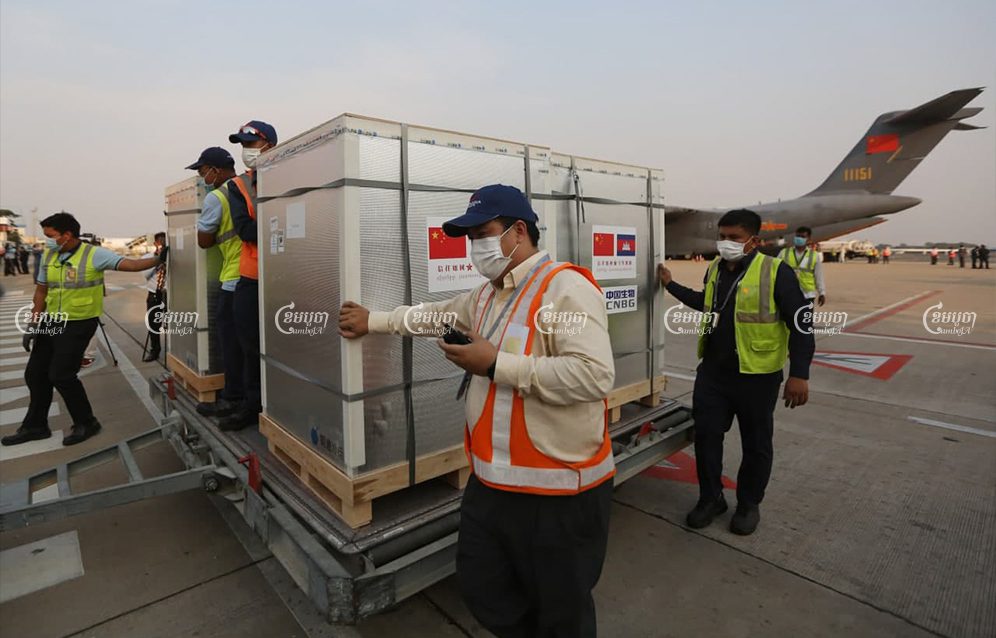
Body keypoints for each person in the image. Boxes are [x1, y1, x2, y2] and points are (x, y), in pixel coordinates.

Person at [340, 185, 616, 637]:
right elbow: (436, 315)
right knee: (485, 589)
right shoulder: (487, 296)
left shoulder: (564, 288)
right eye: (468, 237)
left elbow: (592, 375)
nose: (474, 247)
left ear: (518, 231)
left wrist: (495, 364)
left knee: (562, 613)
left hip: (560, 495)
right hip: (493, 486)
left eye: (482, 233)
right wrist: (374, 321)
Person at [658, 209, 815, 536]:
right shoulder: (715, 267)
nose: (726, 243)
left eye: (734, 238)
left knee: (756, 445)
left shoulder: (777, 272)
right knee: (706, 438)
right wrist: (671, 286)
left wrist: (800, 373)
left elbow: (802, 325)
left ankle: (748, 504)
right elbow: (707, 303)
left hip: (757, 377)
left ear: (754, 241)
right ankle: (710, 498)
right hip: (714, 374)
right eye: (722, 237)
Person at [2, 212, 167, 447]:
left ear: (67, 235)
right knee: (35, 374)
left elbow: (130, 264)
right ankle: (35, 426)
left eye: (51, 236)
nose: (47, 240)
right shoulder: (50, 255)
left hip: (79, 322)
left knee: (61, 374)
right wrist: (33, 324)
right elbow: (41, 291)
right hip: (52, 321)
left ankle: (87, 422)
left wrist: (158, 259)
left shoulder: (94, 254)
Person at [222, 121, 277, 430]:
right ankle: (251, 405)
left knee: (291, 341)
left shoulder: (296, 174)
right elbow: (245, 229)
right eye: (242, 145)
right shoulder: (239, 185)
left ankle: (281, 405)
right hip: (252, 275)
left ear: (269, 145)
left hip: (289, 277)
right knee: (249, 344)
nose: (246, 152)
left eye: (251, 145)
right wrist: (282, 225)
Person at [186, 147, 244, 418]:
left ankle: (232, 398)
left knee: (229, 343)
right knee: (249, 344)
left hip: (232, 276)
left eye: (202, 172)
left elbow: (203, 240)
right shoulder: (248, 186)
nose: (202, 178)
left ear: (215, 170)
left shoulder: (216, 197)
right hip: (256, 274)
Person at [778, 227, 826, 306]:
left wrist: (822, 292)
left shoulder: (814, 255)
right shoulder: (784, 253)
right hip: (788, 294)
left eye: (802, 237)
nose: (799, 239)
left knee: (805, 318)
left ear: (809, 239)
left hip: (807, 295)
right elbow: (775, 271)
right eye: (797, 236)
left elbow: (819, 275)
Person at [141, 232, 168, 362]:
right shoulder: (147, 257)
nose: (162, 244)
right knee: (153, 324)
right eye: (160, 242)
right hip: (154, 294)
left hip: (169, 293)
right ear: (155, 243)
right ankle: (155, 350)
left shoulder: (172, 257)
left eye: (165, 241)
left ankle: (174, 350)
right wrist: (157, 261)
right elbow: (145, 275)